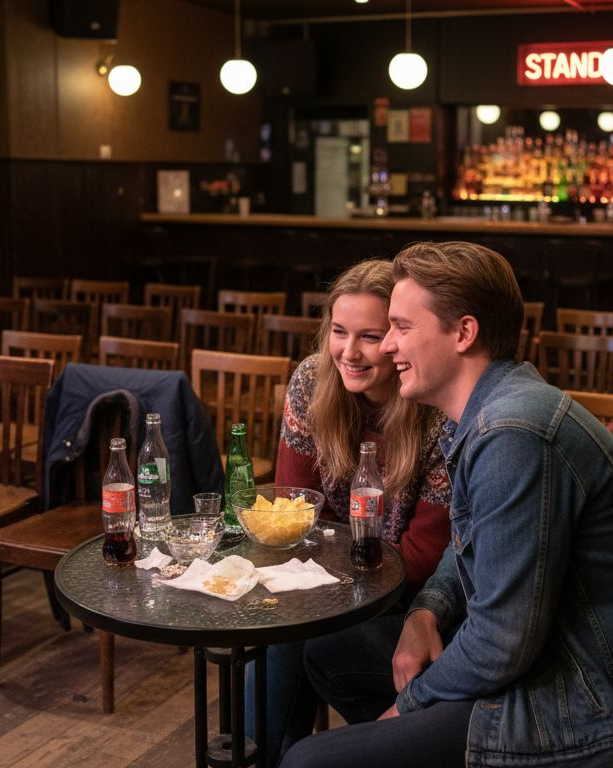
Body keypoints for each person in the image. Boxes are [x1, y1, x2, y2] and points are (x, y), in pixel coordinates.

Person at [284, 241, 613, 768]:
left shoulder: (513, 434)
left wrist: (408, 709)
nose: (388, 345)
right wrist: (427, 610)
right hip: (538, 666)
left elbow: (501, 643)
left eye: (400, 327)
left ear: (464, 333)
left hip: (575, 704)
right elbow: (468, 543)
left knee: (307, 761)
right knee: (328, 654)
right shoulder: (496, 405)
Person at [244, 259, 452, 763]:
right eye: (339, 332)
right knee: (277, 630)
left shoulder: (434, 406)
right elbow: (294, 512)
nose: (349, 352)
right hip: (326, 578)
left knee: (301, 638)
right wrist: (318, 581)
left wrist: (324, 580)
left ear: (399, 339)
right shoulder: (311, 381)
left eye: (370, 336)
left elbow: (424, 554)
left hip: (414, 599)